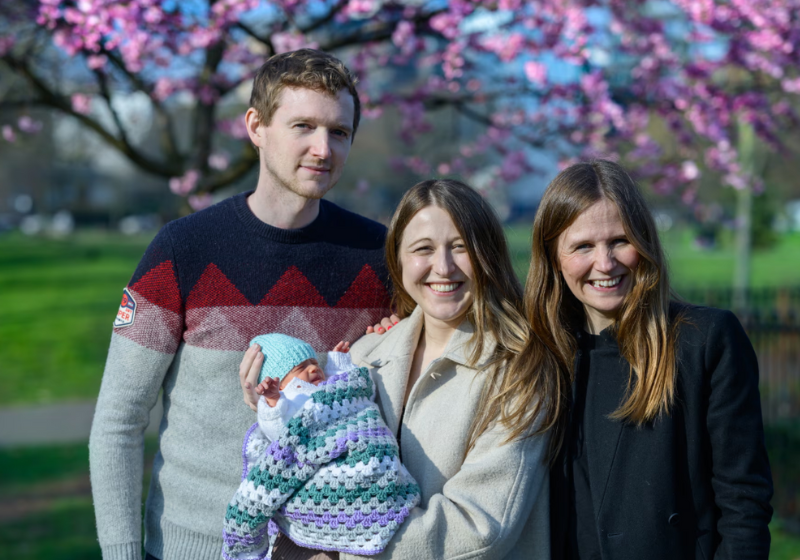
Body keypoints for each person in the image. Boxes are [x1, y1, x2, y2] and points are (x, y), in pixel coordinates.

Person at [89, 49, 393, 560]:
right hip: (193, 548)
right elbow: (119, 420)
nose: (323, 148)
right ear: (256, 126)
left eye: (339, 132)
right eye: (303, 126)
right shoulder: (182, 250)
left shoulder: (379, 258)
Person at [242, 178, 560, 559]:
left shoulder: (521, 370)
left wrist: (339, 542)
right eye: (423, 249)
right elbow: (300, 475)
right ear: (398, 259)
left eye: (460, 247)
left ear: (487, 254)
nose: (442, 267)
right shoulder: (364, 357)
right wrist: (275, 413)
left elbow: (478, 528)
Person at [527, 160, 773, 559]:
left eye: (620, 240)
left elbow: (744, 501)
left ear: (645, 241)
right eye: (583, 246)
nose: (605, 264)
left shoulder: (704, 341)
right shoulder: (537, 355)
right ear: (554, 257)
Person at [224, 333, 420, 560]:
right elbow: (280, 434)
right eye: (300, 368)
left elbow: (354, 392)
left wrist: (339, 362)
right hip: (323, 468)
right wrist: (271, 400)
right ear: (280, 382)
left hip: (363, 446)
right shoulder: (290, 401)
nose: (313, 369)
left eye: (315, 363)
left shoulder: (330, 391)